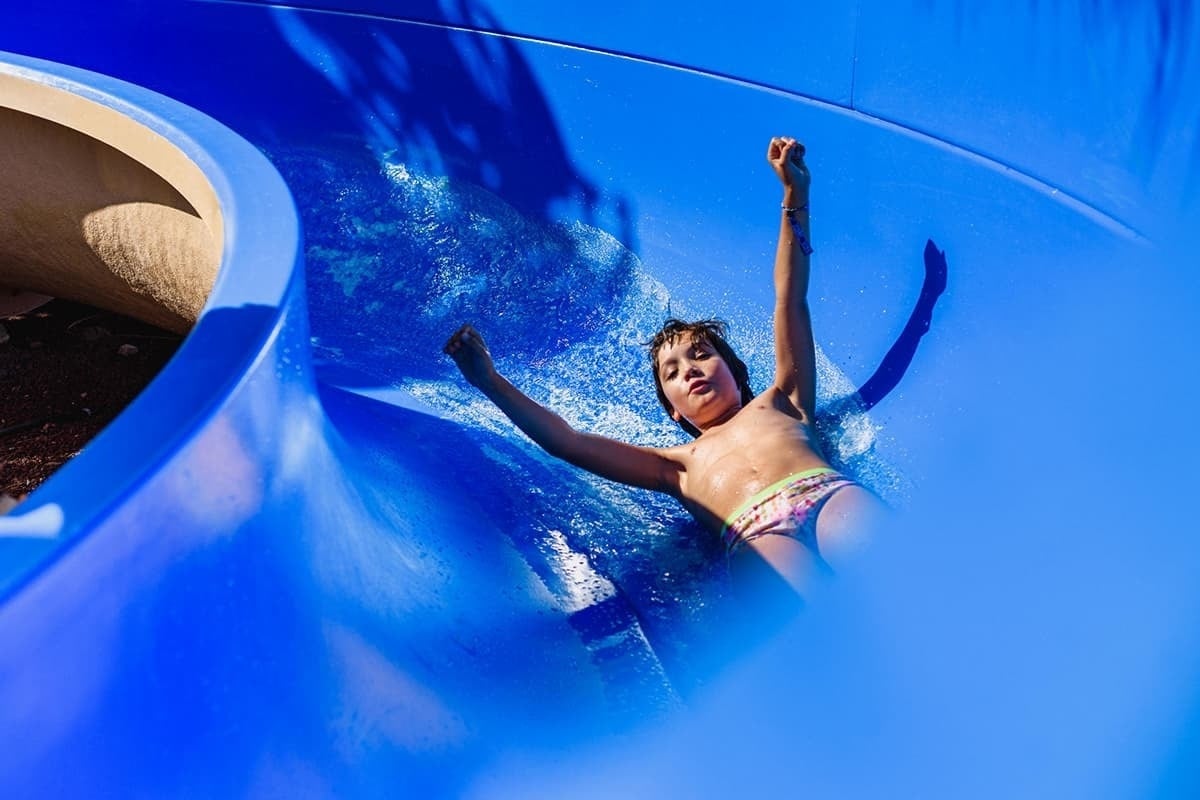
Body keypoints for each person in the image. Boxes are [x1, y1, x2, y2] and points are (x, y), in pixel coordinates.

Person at [445, 136, 886, 603]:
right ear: (673, 412)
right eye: (671, 373)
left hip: (822, 491)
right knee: (815, 623)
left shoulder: (786, 400)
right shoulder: (673, 467)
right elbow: (566, 441)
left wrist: (795, 197)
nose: (689, 371)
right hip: (757, 535)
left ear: (735, 371)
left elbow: (790, 299)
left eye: (700, 355)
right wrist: (489, 381)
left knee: (892, 566)